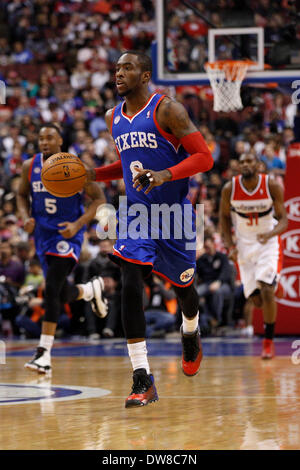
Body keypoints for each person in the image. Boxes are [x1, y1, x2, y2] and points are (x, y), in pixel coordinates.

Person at [86, 50, 213, 408]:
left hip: (177, 215)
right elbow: (126, 165)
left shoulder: (168, 110)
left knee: (185, 288)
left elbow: (205, 157)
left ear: (145, 75)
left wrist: (165, 174)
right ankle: (142, 377)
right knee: (129, 281)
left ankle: (190, 332)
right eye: (116, 68)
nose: (119, 73)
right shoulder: (113, 117)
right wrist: (96, 173)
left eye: (128, 68)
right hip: (138, 214)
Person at [17, 123, 108, 375]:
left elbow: (100, 199)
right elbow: (22, 195)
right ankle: (88, 290)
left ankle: (44, 353)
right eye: (41, 138)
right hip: (42, 235)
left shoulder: (78, 168)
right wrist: (26, 217)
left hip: (68, 233)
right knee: (58, 291)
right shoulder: (29, 166)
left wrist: (79, 224)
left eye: (49, 138)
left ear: (60, 141)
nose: (44, 142)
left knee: (51, 290)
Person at [219, 152, 288, 359]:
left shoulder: (271, 185)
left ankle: (268, 342)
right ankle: (274, 284)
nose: (246, 164)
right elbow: (223, 218)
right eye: (242, 162)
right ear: (238, 166)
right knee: (256, 301)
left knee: (266, 291)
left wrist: (271, 233)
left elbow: (284, 220)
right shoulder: (229, 188)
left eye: (250, 161)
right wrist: (230, 246)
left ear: (258, 165)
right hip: (244, 245)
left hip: (268, 242)